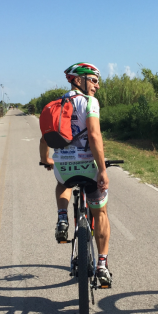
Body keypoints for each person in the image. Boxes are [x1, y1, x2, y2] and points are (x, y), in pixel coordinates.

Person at [39, 62, 113, 286]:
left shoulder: (55, 104)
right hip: (88, 169)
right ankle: (101, 265)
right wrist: (102, 170)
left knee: (63, 185)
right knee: (100, 213)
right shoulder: (90, 102)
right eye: (93, 79)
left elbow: (44, 139)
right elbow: (94, 135)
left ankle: (62, 217)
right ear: (78, 80)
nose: (97, 86)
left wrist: (46, 160)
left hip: (64, 169)